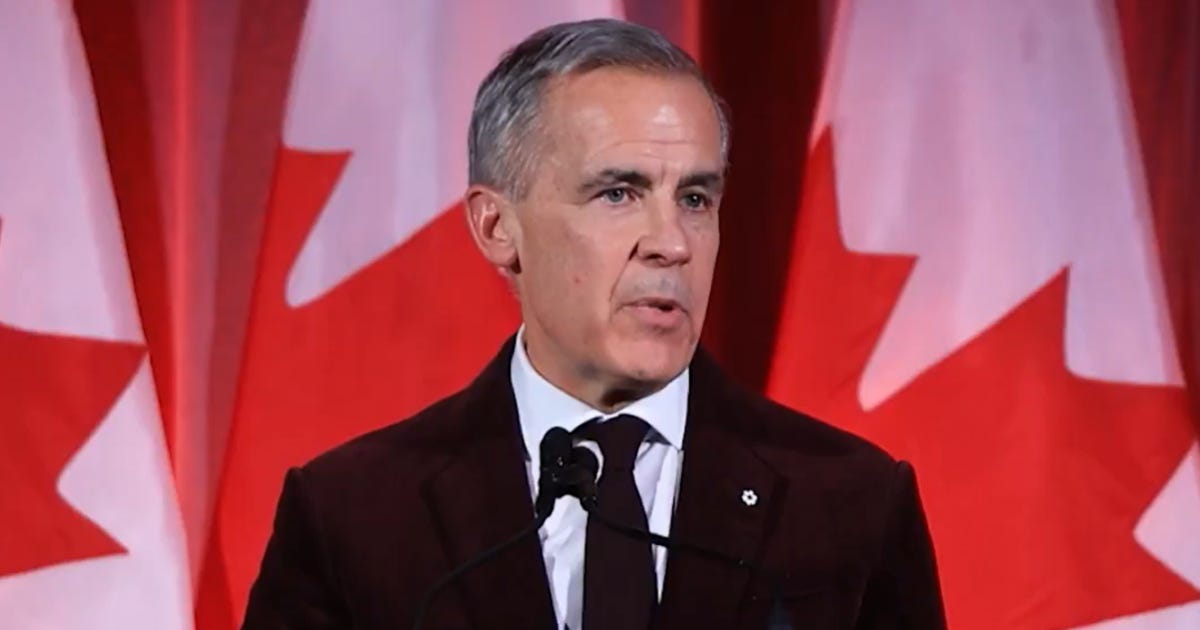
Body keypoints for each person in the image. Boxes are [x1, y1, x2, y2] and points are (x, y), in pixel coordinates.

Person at [242, 18, 946, 630]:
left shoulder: (850, 502)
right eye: (618, 193)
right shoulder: (353, 514)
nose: (671, 243)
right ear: (497, 227)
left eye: (695, 198)